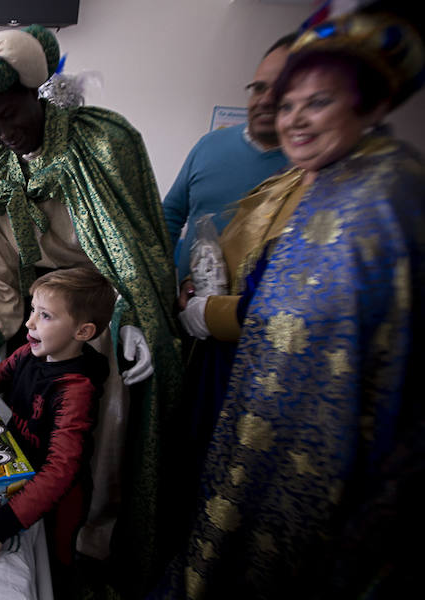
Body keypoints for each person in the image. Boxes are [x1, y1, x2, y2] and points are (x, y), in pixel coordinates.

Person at [163, 12, 425, 598]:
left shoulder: (381, 195)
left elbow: (320, 321)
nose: (293, 119)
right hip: (254, 397)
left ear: (372, 106)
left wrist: (207, 315)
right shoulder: (329, 177)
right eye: (285, 103)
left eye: (319, 101)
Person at [0, 24, 184, 593]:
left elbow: (137, 249)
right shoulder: (5, 164)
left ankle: (92, 550)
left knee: (103, 448)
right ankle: (27, 517)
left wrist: (134, 318)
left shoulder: (106, 142)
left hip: (101, 318)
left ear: (36, 93)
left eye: (9, 115)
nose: (4, 134)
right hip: (43, 322)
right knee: (32, 423)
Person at [0, 268, 114, 592]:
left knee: (55, 563)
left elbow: (60, 470)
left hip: (60, 498)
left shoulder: (75, 390)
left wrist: (1, 527)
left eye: (44, 316)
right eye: (33, 310)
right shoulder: (28, 353)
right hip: (18, 468)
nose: (29, 323)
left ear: (82, 331)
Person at [164, 33, 295, 286]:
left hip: (256, 319)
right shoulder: (209, 145)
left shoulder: (307, 171)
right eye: (258, 88)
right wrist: (157, 284)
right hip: (183, 307)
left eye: (280, 90)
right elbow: (171, 214)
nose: (266, 100)